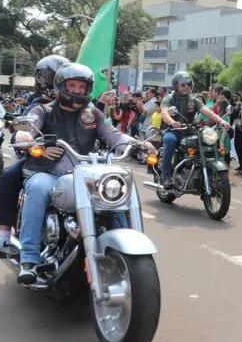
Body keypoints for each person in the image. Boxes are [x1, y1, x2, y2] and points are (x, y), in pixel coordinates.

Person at [14, 63, 155, 283]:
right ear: (60, 86)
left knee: (117, 192)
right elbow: (29, 127)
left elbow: (113, 135)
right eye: (72, 85)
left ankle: (127, 254)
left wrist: (136, 143)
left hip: (86, 174)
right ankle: (29, 259)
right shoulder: (44, 110)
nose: (78, 90)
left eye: (82, 86)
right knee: (38, 188)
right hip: (50, 172)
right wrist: (25, 136)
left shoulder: (93, 114)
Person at [0, 55, 69, 255]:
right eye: (55, 78)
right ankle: (4, 236)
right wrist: (31, 145)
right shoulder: (36, 105)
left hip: (73, 162)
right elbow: (20, 132)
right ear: (43, 79)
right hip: (38, 161)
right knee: (9, 175)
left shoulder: (79, 106)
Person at [159, 71, 230, 187]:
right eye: (183, 84)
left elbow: (208, 112)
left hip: (189, 132)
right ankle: (166, 176)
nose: (186, 86)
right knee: (170, 141)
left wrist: (221, 121)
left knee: (206, 142)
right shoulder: (169, 99)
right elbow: (164, 113)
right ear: (176, 86)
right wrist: (172, 122)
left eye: (188, 83)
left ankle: (204, 172)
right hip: (173, 131)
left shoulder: (193, 100)